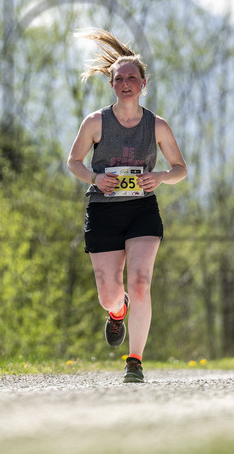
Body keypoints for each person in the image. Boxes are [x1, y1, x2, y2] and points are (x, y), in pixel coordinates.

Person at [66, 28, 187, 384]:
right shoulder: (95, 122)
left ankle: (134, 361)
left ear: (143, 83)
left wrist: (162, 178)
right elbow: (73, 162)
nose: (126, 83)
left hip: (141, 211)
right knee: (109, 293)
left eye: (132, 77)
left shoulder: (157, 126)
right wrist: (94, 178)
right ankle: (116, 312)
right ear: (113, 85)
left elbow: (181, 169)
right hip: (103, 210)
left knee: (139, 284)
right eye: (120, 78)